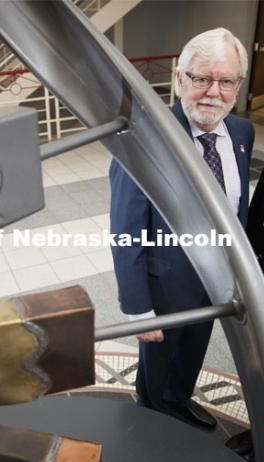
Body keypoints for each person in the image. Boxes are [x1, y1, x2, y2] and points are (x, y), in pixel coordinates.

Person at [109, 28, 254, 429]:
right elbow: (125, 232)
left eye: (226, 81)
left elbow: (238, 208)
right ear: (179, 79)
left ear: (238, 85)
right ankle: (153, 416)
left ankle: (178, 401)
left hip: (217, 279)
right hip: (166, 285)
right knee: (158, 360)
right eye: (201, 78)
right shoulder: (142, 144)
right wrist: (139, 309)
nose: (213, 92)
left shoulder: (242, 133)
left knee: (193, 351)